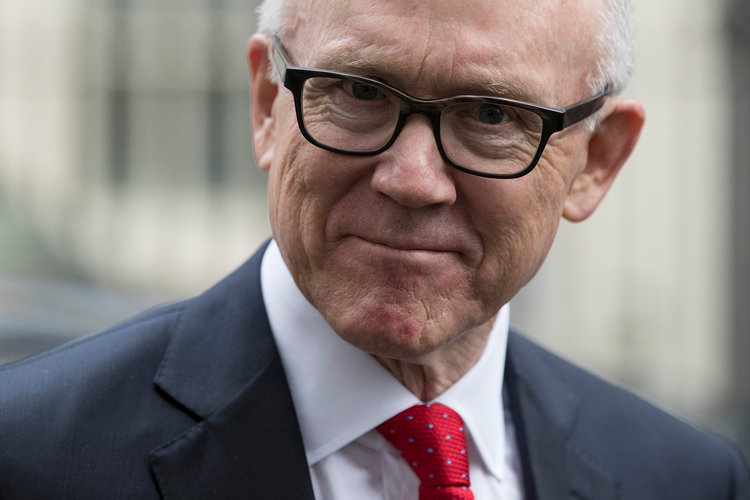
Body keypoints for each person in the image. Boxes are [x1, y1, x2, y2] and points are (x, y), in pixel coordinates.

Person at [1, 0, 748, 498]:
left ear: (595, 162)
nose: (413, 180)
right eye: (360, 93)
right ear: (267, 106)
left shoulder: (685, 480)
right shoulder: (29, 456)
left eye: (491, 115)